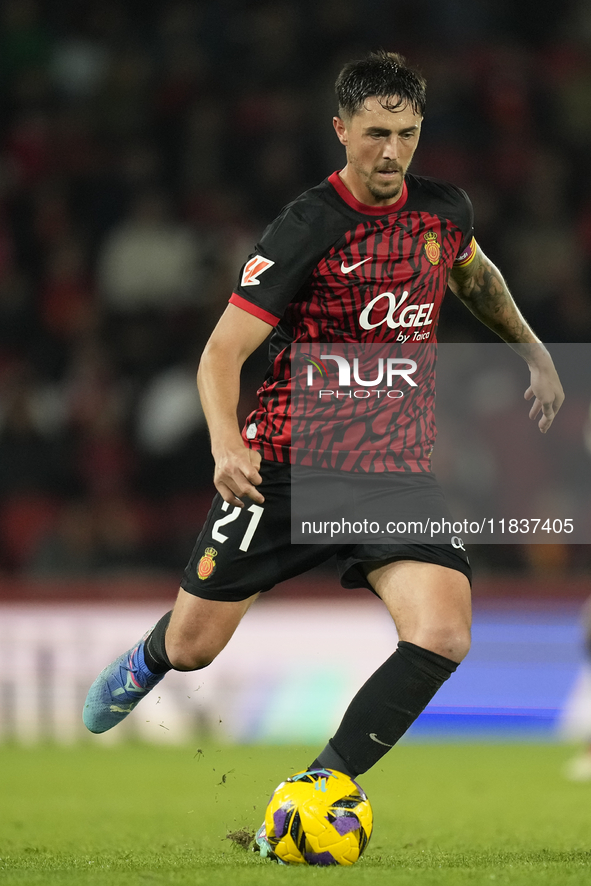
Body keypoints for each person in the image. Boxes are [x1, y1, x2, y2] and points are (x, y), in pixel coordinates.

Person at [83, 51, 564, 857]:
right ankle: (150, 655)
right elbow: (219, 354)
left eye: (406, 134)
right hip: (284, 469)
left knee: (443, 634)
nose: (390, 151)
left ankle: (318, 787)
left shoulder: (445, 211)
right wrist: (224, 442)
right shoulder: (307, 226)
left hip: (392, 472)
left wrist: (534, 352)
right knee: (197, 648)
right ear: (340, 130)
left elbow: (473, 276)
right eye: (375, 133)